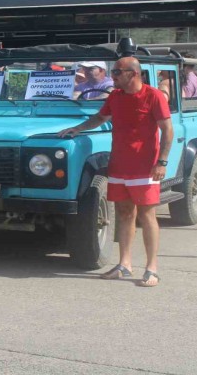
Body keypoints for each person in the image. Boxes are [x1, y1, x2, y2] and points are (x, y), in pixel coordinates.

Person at [58, 57, 172, 288]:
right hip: (119, 165)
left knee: (147, 215)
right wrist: (77, 129)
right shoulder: (115, 96)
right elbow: (101, 118)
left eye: (118, 72)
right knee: (124, 212)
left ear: (134, 73)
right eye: (113, 72)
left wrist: (161, 162)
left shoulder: (153, 96)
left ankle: (151, 268)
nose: (114, 76)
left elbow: (167, 130)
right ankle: (124, 264)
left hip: (145, 167)